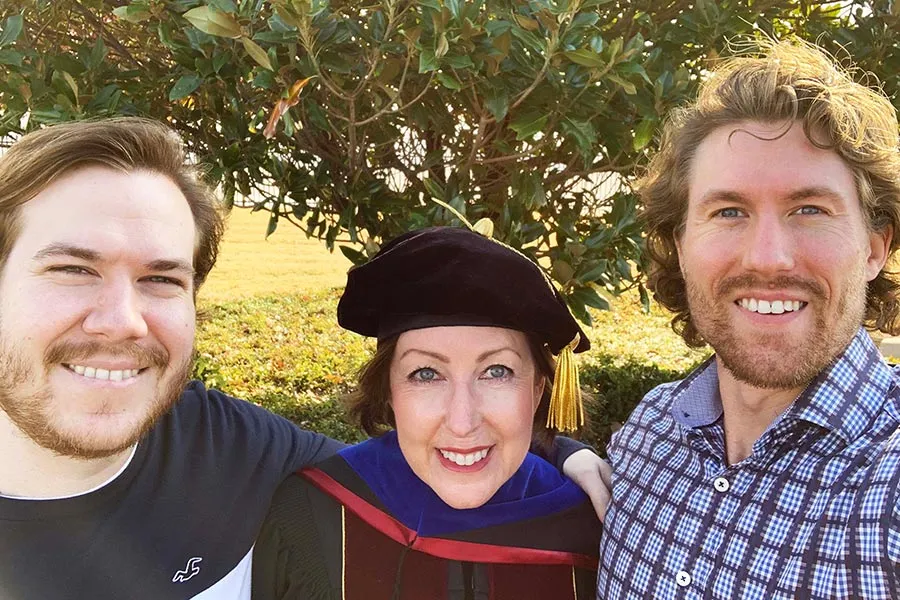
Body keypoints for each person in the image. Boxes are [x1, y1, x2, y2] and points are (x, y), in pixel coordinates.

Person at [0, 118, 608, 599]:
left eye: (161, 279)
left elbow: (441, 448)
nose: (122, 320)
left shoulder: (235, 449)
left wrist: (558, 449)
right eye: (72, 269)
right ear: (388, 390)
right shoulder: (317, 515)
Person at [596, 39, 900, 599]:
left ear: (875, 248)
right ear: (682, 246)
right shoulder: (646, 436)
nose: (766, 257)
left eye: (809, 210)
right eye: (728, 211)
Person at [252, 227, 603, 599]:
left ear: (538, 390)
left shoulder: (590, 526)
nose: (462, 421)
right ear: (388, 391)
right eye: (426, 374)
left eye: (497, 372)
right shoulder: (311, 516)